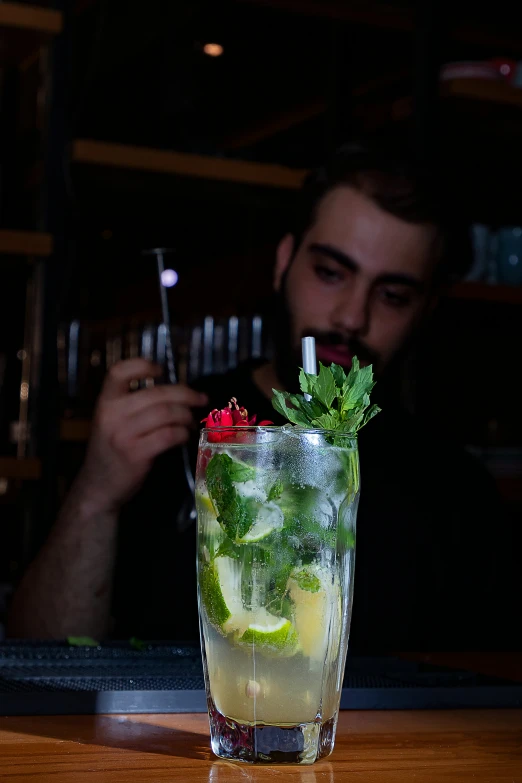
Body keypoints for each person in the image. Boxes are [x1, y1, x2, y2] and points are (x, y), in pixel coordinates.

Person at [8, 140, 517, 651]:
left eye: (393, 296)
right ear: (283, 262)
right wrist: (95, 497)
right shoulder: (180, 432)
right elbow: (37, 652)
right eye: (330, 273)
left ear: (426, 310)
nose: (351, 317)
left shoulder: (455, 491)